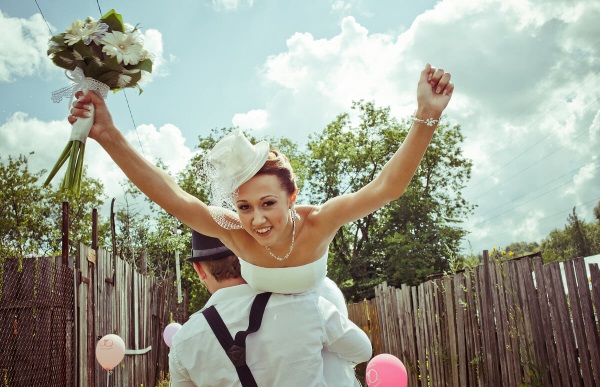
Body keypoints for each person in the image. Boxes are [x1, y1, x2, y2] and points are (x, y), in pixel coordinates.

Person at [169, 230, 372, 386]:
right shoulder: (306, 302)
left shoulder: (183, 342)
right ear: (254, 254)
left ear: (199, 270)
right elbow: (362, 351)